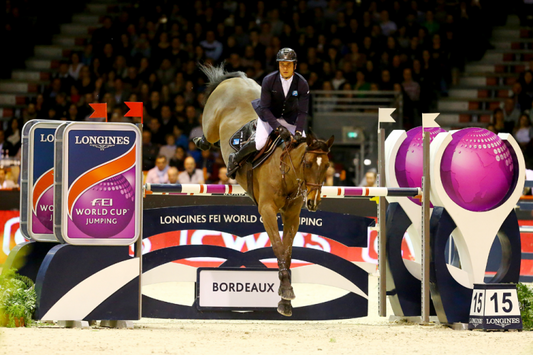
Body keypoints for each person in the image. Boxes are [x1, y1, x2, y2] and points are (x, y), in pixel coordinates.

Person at [226, 48, 309, 178]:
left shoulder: (302, 83)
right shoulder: (269, 80)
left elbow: (303, 111)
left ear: (295, 65)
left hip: (289, 118)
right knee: (259, 143)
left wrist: (298, 131)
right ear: (278, 65)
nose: (285, 68)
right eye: (282, 64)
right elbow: (265, 108)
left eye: (288, 64)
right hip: (269, 116)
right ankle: (235, 159)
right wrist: (278, 127)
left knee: (304, 146)